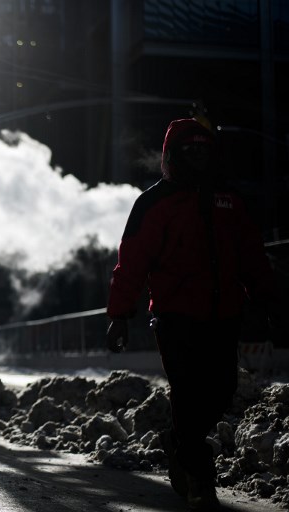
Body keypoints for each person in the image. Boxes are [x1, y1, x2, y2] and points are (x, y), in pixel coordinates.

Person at [105, 118, 282, 511]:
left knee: (221, 391)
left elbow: (252, 256)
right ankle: (201, 479)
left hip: (224, 315)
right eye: (190, 148)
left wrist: (270, 301)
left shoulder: (230, 200)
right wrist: (119, 314)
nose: (198, 154)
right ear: (173, 155)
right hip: (175, 316)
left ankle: (178, 443)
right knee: (188, 393)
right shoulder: (153, 202)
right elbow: (131, 261)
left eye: (204, 147)